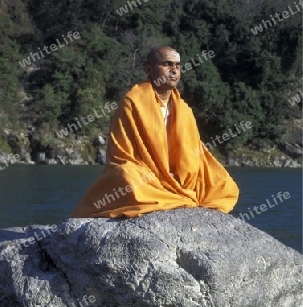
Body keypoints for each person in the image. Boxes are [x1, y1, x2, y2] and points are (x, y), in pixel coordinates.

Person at [70, 45, 239, 219]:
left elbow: (194, 153)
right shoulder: (133, 102)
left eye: (178, 65)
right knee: (127, 176)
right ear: (149, 69)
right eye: (167, 64)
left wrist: (180, 171)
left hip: (179, 175)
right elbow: (121, 154)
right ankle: (171, 195)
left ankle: (173, 194)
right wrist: (157, 173)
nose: (174, 70)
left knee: (222, 183)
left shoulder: (184, 110)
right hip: (145, 174)